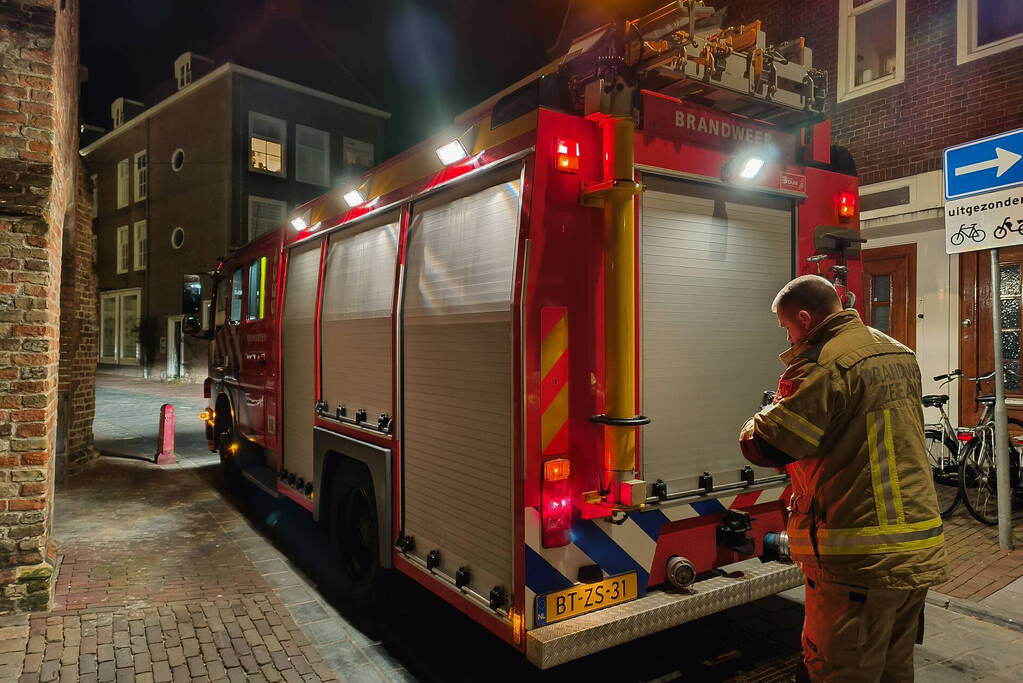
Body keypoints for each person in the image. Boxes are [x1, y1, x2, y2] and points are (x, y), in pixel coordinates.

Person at [739, 275, 949, 682]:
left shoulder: (825, 362)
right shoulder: (896, 350)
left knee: (841, 669)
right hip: (914, 549)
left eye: (786, 326)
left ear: (804, 318)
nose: (788, 336)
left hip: (860, 559)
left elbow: (768, 444)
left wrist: (758, 418)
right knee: (893, 667)